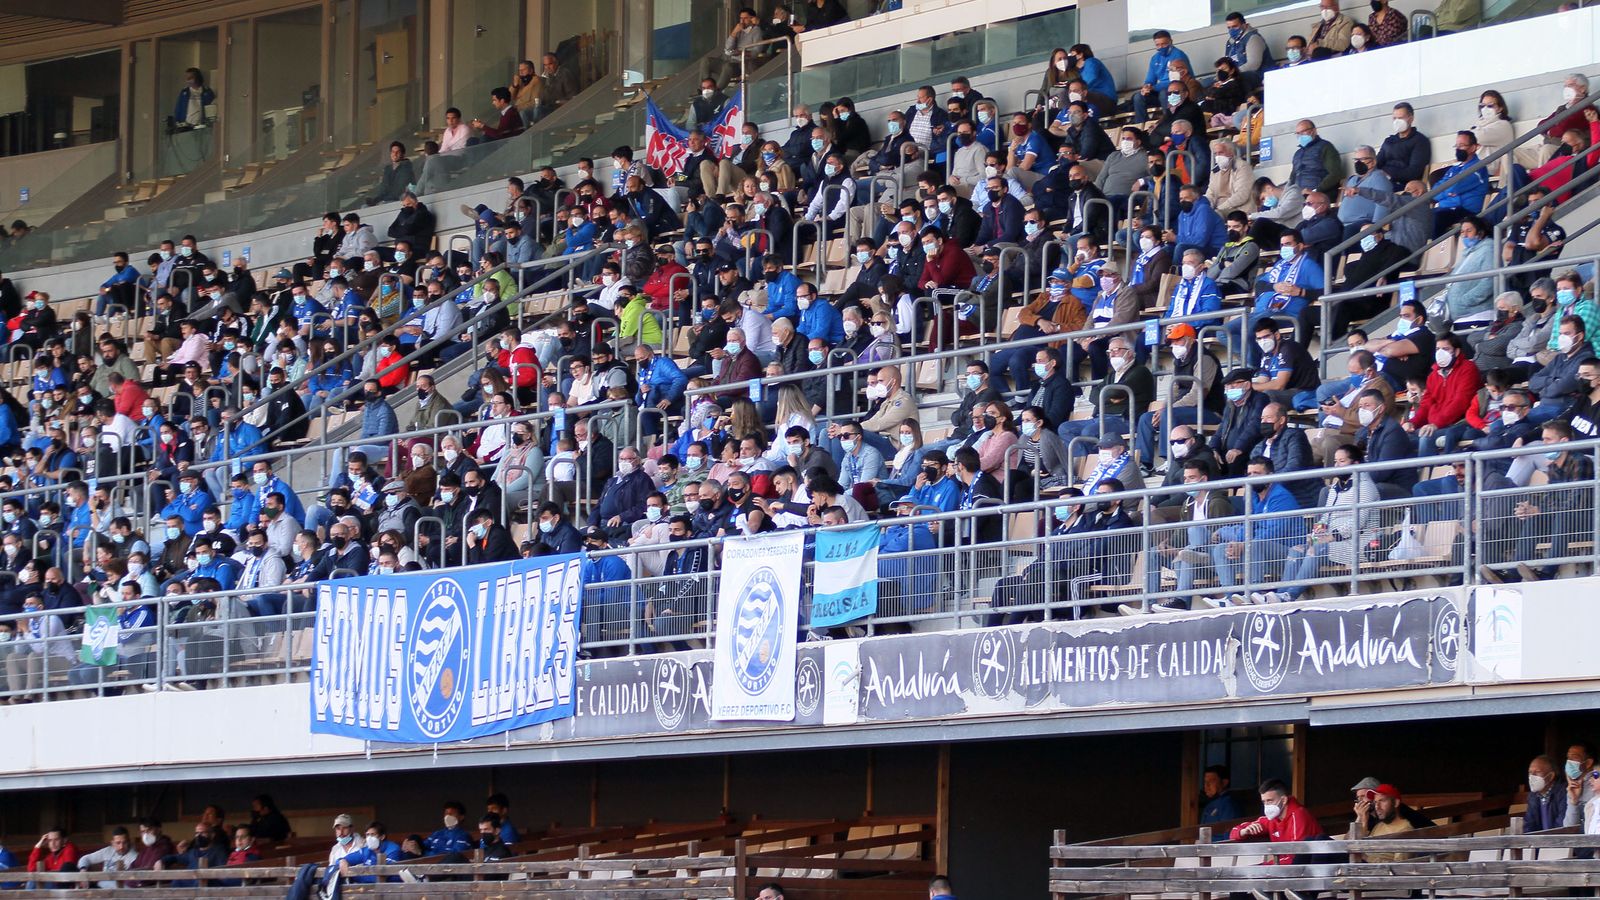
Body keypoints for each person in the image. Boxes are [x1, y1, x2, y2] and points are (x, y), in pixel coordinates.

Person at [1228, 779, 1327, 865]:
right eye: (1264, 802)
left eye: (1270, 801)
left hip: (1307, 871)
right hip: (1284, 870)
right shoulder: (1272, 818)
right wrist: (1244, 831)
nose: (1266, 806)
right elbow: (1233, 832)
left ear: (1283, 800)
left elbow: (1296, 858)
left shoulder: (1299, 815)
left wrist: (1263, 867)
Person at [1525, 755, 1568, 831]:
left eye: (1537, 772)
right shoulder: (1532, 796)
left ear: (1551, 776)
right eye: (1530, 773)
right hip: (1540, 838)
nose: (1532, 776)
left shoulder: (1563, 793)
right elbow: (1529, 825)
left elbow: (1561, 825)